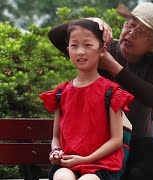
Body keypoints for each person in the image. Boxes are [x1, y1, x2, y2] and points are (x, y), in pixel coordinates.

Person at [48, 2, 153, 180]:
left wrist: (112, 66)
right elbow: (56, 36)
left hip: (139, 141)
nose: (131, 33)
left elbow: (151, 96)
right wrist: (89, 22)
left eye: (142, 32)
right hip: (98, 143)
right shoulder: (102, 49)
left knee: (152, 154)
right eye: (130, 24)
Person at [39, 19, 134, 180]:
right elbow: (56, 137)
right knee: (62, 178)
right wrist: (55, 151)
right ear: (68, 50)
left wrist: (85, 160)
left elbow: (116, 140)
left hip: (102, 164)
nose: (80, 52)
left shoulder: (111, 92)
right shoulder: (61, 93)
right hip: (68, 162)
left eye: (88, 45)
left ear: (102, 50)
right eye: (74, 45)